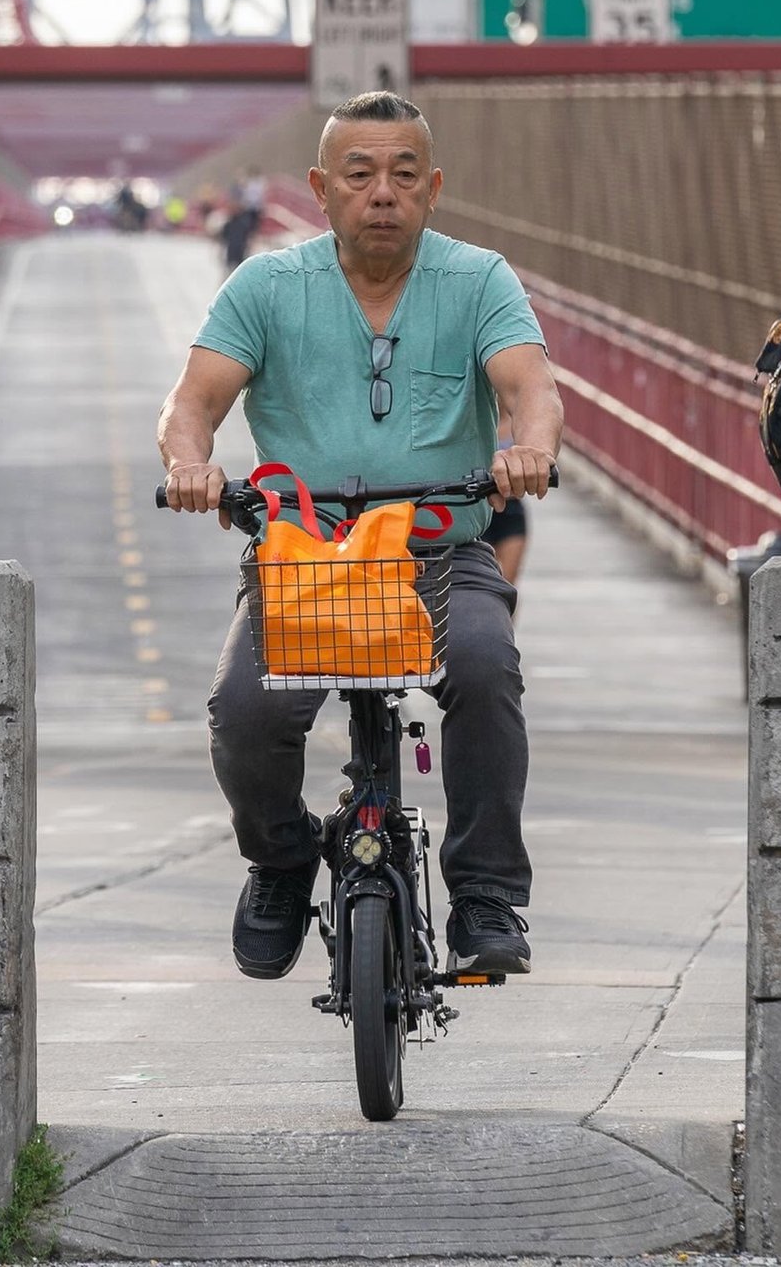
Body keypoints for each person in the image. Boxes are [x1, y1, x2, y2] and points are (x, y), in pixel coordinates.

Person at [159, 90, 563, 981]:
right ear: (321, 187)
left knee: (489, 670)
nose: (383, 192)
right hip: (306, 558)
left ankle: (488, 896)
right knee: (246, 712)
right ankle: (279, 860)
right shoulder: (266, 286)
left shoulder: (478, 279)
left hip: (440, 554)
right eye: (360, 174)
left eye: (404, 175)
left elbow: (531, 387)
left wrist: (528, 450)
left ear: (433, 189)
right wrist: (193, 464)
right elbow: (193, 403)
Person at [482, 412, 529, 586]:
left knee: (508, 584)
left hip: (511, 510)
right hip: (481, 510)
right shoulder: (475, 423)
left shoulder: (519, 424)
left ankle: (508, 614)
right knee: (487, 584)